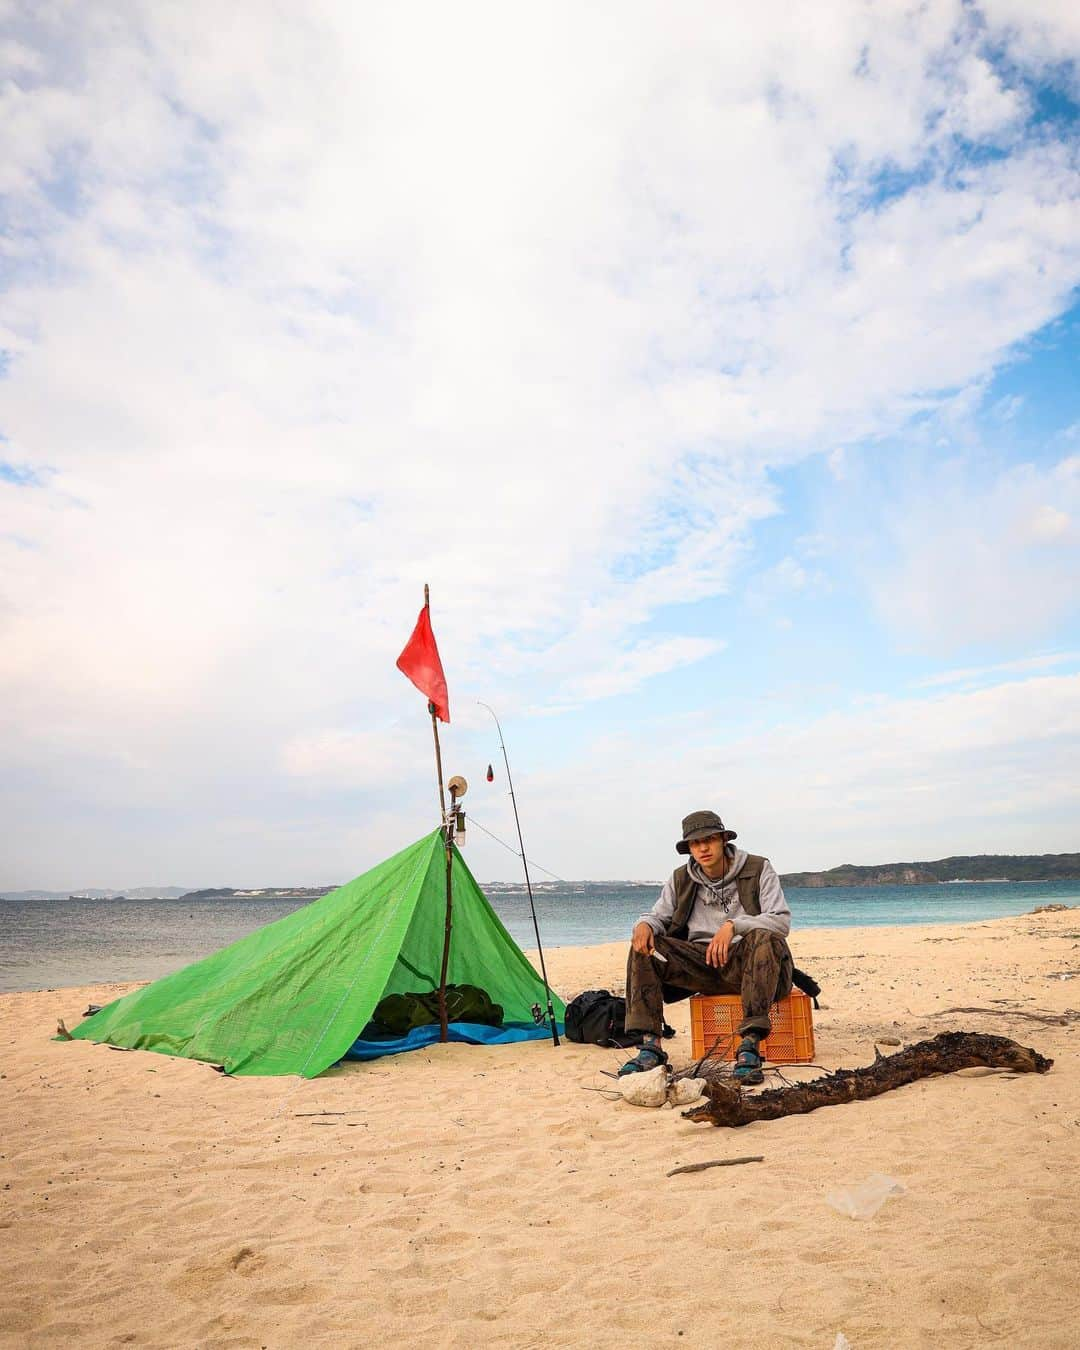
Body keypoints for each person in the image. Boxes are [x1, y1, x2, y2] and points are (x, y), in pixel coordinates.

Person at [620, 809, 793, 1084]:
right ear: (688, 847)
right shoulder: (681, 878)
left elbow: (781, 922)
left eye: (709, 839)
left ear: (723, 839)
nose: (702, 847)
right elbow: (659, 915)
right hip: (699, 964)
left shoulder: (759, 868)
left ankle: (749, 1046)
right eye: (695, 843)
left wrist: (734, 926)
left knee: (765, 937)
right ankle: (650, 1046)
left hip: (748, 962)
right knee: (645, 945)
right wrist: (644, 924)